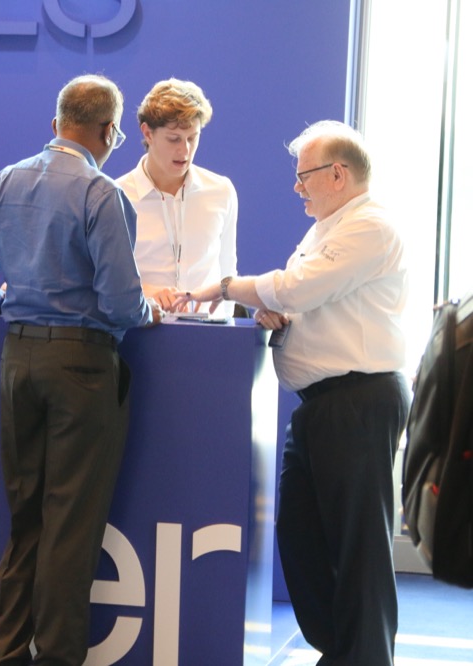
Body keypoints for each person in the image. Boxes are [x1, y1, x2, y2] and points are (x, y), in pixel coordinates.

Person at [176, 120, 409, 665]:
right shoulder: (328, 228)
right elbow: (305, 300)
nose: (297, 186)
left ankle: (362, 657)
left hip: (358, 400)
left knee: (358, 547)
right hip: (323, 406)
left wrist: (229, 287)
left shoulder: (369, 226)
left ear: (337, 174)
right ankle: (342, 648)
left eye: (305, 175)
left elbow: (300, 287)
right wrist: (277, 317)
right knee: (302, 536)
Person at [0, 74, 158, 666]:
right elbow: (121, 303)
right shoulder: (101, 193)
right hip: (82, 369)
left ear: (55, 125)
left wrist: (4, 302)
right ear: (110, 133)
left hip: (17, 361)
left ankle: (2, 654)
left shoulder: (6, 180)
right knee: (71, 526)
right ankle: (58, 658)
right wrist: (149, 310)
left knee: (26, 519)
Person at [116, 78, 238, 315]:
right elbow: (107, 283)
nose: (185, 150)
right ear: (147, 133)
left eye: (193, 137)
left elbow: (228, 273)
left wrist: (226, 326)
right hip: (144, 329)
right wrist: (144, 292)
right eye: (174, 139)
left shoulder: (221, 190)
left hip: (209, 330)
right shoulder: (117, 196)